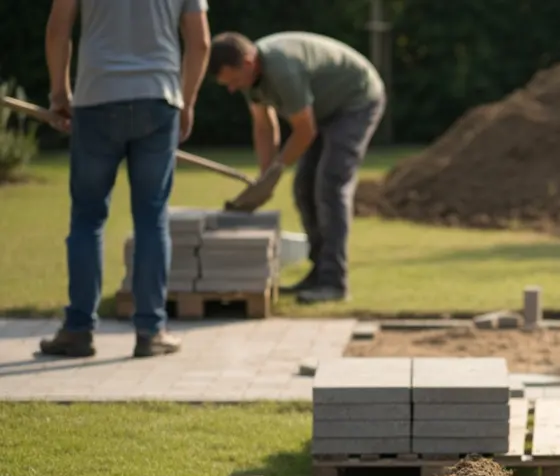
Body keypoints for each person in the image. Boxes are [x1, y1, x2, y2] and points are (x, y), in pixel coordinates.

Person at [39, 0, 211, 358]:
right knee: (151, 219)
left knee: (87, 218)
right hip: (158, 99)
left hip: (96, 98)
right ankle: (151, 331)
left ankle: (78, 329)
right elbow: (200, 43)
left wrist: (59, 92)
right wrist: (188, 101)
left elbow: (58, 29)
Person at [207, 31, 385, 304]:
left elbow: (305, 130)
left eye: (233, 80)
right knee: (303, 187)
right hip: (323, 111)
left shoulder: (283, 69)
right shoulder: (249, 79)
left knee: (330, 185)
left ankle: (334, 282)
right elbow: (264, 126)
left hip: (356, 101)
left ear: (248, 62)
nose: (232, 88)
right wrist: (264, 179)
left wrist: (275, 173)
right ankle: (318, 272)